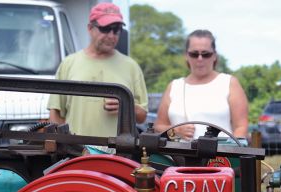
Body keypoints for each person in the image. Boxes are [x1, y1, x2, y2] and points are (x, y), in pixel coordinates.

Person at [47, 2, 148, 139]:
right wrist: (65, 146)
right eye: (106, 28)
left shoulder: (131, 66)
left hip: (117, 156)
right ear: (90, 28)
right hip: (77, 154)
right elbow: (55, 115)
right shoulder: (69, 63)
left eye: (117, 29)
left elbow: (142, 117)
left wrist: (127, 105)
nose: (112, 35)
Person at [154, 29, 249, 141]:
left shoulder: (229, 83)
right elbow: (158, 127)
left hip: (220, 157)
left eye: (206, 54)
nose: (200, 59)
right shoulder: (174, 86)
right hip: (176, 157)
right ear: (186, 55)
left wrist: (231, 153)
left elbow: (241, 128)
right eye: (194, 54)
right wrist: (175, 130)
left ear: (214, 56)